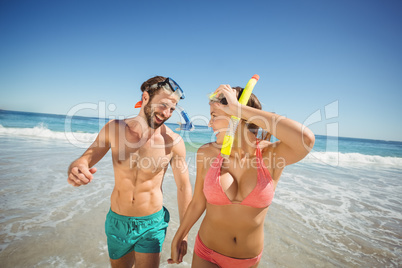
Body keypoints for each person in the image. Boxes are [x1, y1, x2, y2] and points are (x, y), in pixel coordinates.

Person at [168, 84, 315, 267]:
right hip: (207, 253)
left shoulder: (272, 156)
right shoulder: (207, 153)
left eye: (214, 115)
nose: (209, 123)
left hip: (247, 260)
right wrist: (179, 236)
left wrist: (239, 108)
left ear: (237, 116)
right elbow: (198, 201)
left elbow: (306, 139)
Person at [67, 76, 192, 268]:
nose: (166, 113)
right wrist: (77, 166)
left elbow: (184, 188)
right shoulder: (115, 129)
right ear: (145, 98)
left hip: (152, 223)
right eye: (163, 105)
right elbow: (87, 157)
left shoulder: (173, 142)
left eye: (172, 109)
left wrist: (183, 235)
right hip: (117, 221)